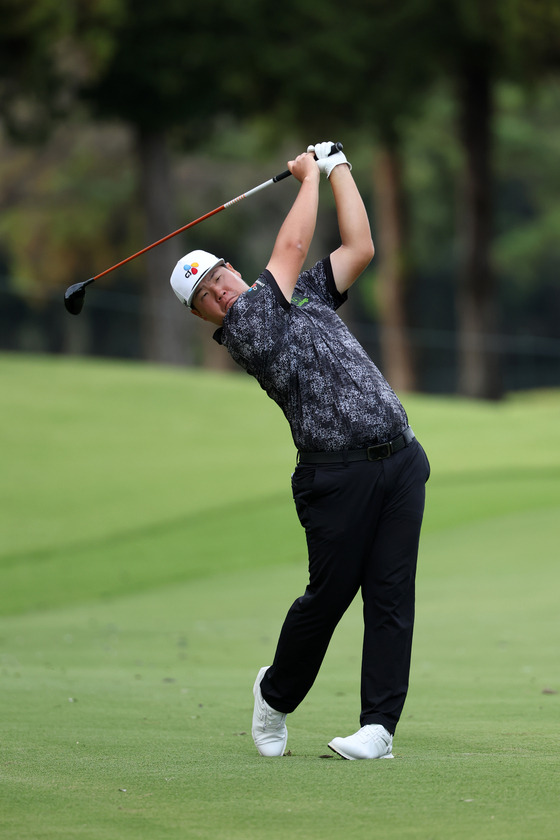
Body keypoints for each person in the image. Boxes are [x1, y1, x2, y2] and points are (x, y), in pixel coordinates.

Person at [170, 142, 430, 760]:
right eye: (204, 296)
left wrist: (339, 168)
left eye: (217, 278)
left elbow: (360, 248)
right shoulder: (249, 328)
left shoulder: (305, 293)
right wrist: (307, 175)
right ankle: (276, 694)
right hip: (333, 478)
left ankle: (378, 729)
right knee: (330, 598)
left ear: (231, 268)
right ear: (204, 315)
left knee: (391, 596)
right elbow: (288, 249)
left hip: (399, 460)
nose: (219, 294)